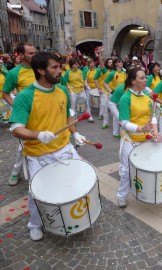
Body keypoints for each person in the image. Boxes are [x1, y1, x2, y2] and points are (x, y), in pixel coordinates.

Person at [9, 52, 86, 241]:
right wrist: (38, 135)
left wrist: (75, 134)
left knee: (80, 179)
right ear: (41, 70)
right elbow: (16, 129)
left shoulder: (61, 90)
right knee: (37, 194)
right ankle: (34, 224)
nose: (60, 70)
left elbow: (68, 116)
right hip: (38, 155)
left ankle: (72, 215)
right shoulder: (25, 96)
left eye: (60, 66)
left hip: (65, 149)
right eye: (55, 67)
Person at [117, 68, 160, 208]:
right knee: (126, 171)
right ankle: (121, 196)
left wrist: (156, 131)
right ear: (133, 81)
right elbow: (123, 122)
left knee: (145, 167)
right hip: (130, 140)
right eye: (141, 78)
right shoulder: (125, 98)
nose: (145, 80)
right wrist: (141, 128)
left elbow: (152, 116)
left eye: (145, 77)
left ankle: (144, 190)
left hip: (146, 139)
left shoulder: (147, 98)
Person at [3, 43, 37, 186]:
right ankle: (15, 173)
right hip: (27, 117)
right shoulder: (14, 73)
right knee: (23, 146)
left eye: (35, 52)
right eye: (31, 53)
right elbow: (5, 93)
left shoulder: (41, 68)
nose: (34, 55)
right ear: (21, 55)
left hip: (44, 114)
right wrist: (18, 108)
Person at [63, 58, 94, 122]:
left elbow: (84, 79)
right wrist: (70, 91)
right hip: (72, 91)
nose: (78, 65)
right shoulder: (68, 73)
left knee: (86, 103)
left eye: (78, 64)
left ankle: (89, 116)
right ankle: (73, 118)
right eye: (76, 64)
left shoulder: (80, 71)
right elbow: (65, 83)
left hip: (81, 90)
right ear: (72, 65)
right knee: (73, 105)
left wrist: (87, 86)